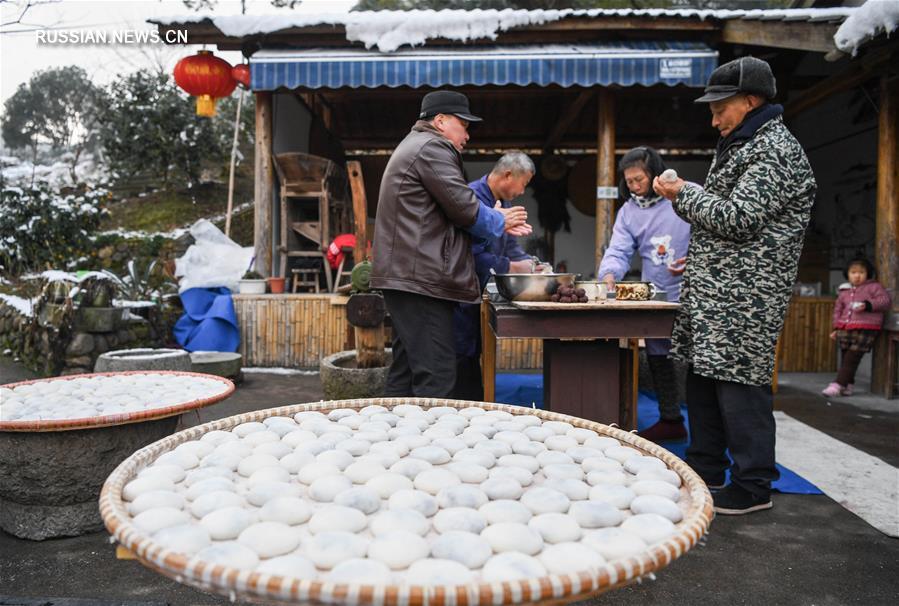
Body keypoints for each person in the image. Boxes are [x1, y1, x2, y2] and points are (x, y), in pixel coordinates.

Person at [653, 56, 816, 515]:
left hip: (748, 296)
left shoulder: (775, 150)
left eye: (720, 107)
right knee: (704, 380)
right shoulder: (744, 145)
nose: (713, 117)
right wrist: (690, 218)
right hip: (718, 291)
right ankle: (706, 470)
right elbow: (722, 217)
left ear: (751, 100)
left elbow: (738, 218)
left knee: (740, 387)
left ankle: (753, 483)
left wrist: (683, 193)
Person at [371, 90, 531, 398]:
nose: (468, 135)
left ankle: (393, 438)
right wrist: (500, 220)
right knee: (438, 374)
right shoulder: (432, 147)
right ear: (441, 121)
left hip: (407, 276)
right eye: (464, 125)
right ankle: (430, 445)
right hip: (420, 280)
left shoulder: (415, 145)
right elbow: (464, 208)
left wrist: (494, 220)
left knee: (405, 373)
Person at [597, 147, 691, 442]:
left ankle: (707, 428)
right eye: (630, 181)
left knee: (698, 359)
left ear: (655, 173)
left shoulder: (686, 195)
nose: (635, 186)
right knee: (659, 356)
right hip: (657, 291)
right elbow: (619, 248)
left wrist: (695, 259)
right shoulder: (629, 211)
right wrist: (610, 273)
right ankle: (671, 418)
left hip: (694, 290)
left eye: (639, 179)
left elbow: (713, 235)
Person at [453, 151, 537, 400]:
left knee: (476, 352)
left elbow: (510, 247)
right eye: (524, 184)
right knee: (461, 356)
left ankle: (476, 403)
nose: (523, 191)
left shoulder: (504, 203)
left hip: (482, 292)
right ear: (508, 175)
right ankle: (462, 408)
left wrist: (529, 264)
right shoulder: (472, 198)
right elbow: (471, 253)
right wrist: (510, 267)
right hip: (462, 290)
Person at [822, 257, 892, 397]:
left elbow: (885, 301)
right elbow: (838, 310)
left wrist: (867, 305)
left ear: (868, 274)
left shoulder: (874, 287)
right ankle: (848, 385)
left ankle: (837, 385)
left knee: (852, 358)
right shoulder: (844, 291)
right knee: (845, 356)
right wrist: (836, 328)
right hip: (845, 328)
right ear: (847, 274)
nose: (857, 275)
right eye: (853, 272)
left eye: (861, 272)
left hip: (867, 327)